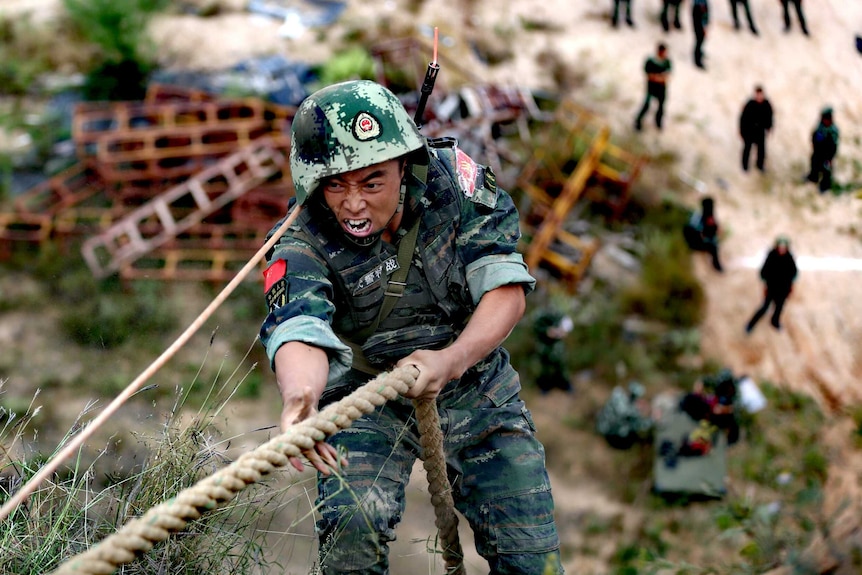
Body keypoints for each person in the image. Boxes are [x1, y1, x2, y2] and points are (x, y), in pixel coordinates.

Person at [259, 80, 564, 574]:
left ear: (404, 166)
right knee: (351, 541)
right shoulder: (301, 237)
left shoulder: (455, 185)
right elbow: (298, 325)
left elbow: (504, 287)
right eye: (336, 184)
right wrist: (301, 397)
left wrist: (452, 360)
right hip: (368, 395)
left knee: (531, 558)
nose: (353, 204)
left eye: (371, 183)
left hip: (473, 382)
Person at [745, 236, 798, 333]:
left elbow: (794, 274)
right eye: (780, 247)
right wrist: (766, 283)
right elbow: (763, 273)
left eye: (784, 247)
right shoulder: (771, 256)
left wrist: (790, 286)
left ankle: (775, 322)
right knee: (764, 307)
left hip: (783, 289)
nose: (782, 249)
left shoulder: (789, 258)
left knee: (779, 307)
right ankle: (750, 324)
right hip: (772, 288)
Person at [532, 307, 574, 394]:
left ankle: (565, 385)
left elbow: (567, 324)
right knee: (545, 368)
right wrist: (546, 331)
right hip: (544, 345)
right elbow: (536, 327)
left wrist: (563, 331)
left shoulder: (559, 314)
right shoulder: (539, 314)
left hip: (557, 346)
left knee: (561, 366)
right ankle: (545, 387)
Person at [634, 43, 672, 132]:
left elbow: (666, 77)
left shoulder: (667, 62)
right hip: (651, 88)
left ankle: (658, 122)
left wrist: (657, 77)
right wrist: (660, 78)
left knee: (661, 107)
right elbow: (649, 75)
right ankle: (638, 120)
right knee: (646, 104)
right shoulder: (651, 61)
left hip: (661, 89)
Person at [739, 86, 774, 172]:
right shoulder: (750, 104)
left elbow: (770, 117)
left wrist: (769, 128)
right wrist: (741, 131)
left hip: (760, 131)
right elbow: (743, 118)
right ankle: (745, 166)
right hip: (749, 131)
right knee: (747, 148)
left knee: (761, 150)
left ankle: (760, 165)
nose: (759, 97)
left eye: (760, 95)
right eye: (757, 95)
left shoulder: (766, 104)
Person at [683, 196, 723, 272]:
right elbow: (692, 232)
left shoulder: (709, 218)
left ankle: (716, 265)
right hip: (695, 243)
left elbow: (717, 232)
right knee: (713, 247)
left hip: (704, 241)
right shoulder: (697, 218)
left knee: (714, 246)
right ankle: (717, 266)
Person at [806, 107, 839, 194]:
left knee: (826, 170)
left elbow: (833, 146)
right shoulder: (820, 126)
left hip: (827, 155)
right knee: (814, 163)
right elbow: (815, 135)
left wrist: (830, 157)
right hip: (818, 152)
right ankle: (813, 177)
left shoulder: (833, 131)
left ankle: (825, 186)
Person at [692, 0, 710, 69]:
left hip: (699, 11)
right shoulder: (700, 5)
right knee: (699, 38)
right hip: (699, 15)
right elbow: (702, 13)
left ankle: (699, 53)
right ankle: (697, 59)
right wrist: (704, 26)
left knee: (700, 39)